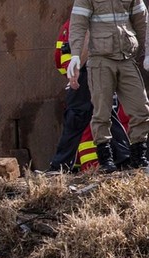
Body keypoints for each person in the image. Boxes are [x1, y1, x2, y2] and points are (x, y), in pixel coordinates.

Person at [68, 0, 149, 171]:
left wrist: (145, 52)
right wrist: (75, 54)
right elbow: (78, 23)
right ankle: (106, 159)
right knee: (101, 112)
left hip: (127, 58)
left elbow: (142, 21)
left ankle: (138, 157)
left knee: (141, 108)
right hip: (100, 60)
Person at [50, 18, 131, 171]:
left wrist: (74, 72)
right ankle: (124, 157)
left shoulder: (82, 17)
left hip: (87, 72)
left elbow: (73, 51)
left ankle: (61, 165)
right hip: (97, 71)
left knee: (76, 116)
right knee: (106, 115)